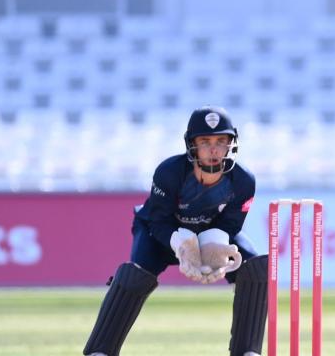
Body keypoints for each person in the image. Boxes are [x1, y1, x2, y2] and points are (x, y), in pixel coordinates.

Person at [83, 106, 266, 356]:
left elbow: (231, 224)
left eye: (221, 141)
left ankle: (248, 352)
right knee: (135, 275)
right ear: (191, 144)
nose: (214, 149)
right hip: (161, 235)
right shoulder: (169, 172)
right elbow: (158, 221)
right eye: (205, 141)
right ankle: (100, 351)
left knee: (255, 269)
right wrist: (182, 244)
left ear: (232, 143)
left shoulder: (244, 181)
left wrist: (213, 244)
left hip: (211, 231)